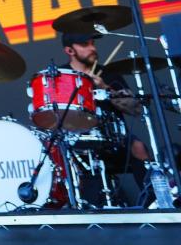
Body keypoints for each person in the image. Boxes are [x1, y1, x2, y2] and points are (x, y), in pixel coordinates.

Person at [60, 32, 151, 203]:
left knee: (138, 147)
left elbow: (135, 108)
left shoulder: (108, 74)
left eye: (93, 43)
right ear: (69, 50)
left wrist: (105, 88)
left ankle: (152, 203)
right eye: (85, 44)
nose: (93, 48)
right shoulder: (62, 76)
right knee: (62, 157)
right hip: (77, 139)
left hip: (113, 138)